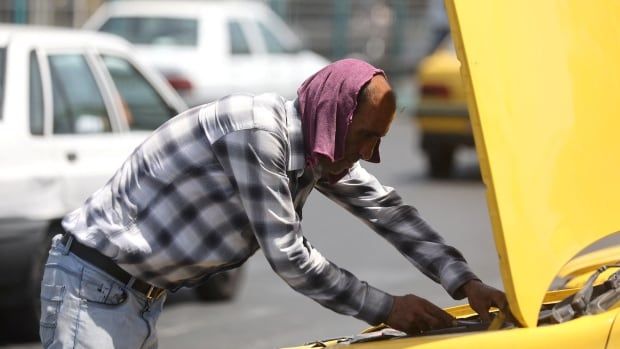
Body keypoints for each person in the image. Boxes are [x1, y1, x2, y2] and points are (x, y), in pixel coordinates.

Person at [39, 59, 506, 348]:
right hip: (93, 288)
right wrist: (384, 308)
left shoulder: (321, 149)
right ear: (332, 117)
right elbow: (289, 256)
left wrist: (465, 282)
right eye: (365, 135)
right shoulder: (257, 133)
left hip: (135, 299)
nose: (369, 153)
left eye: (379, 139)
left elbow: (387, 210)